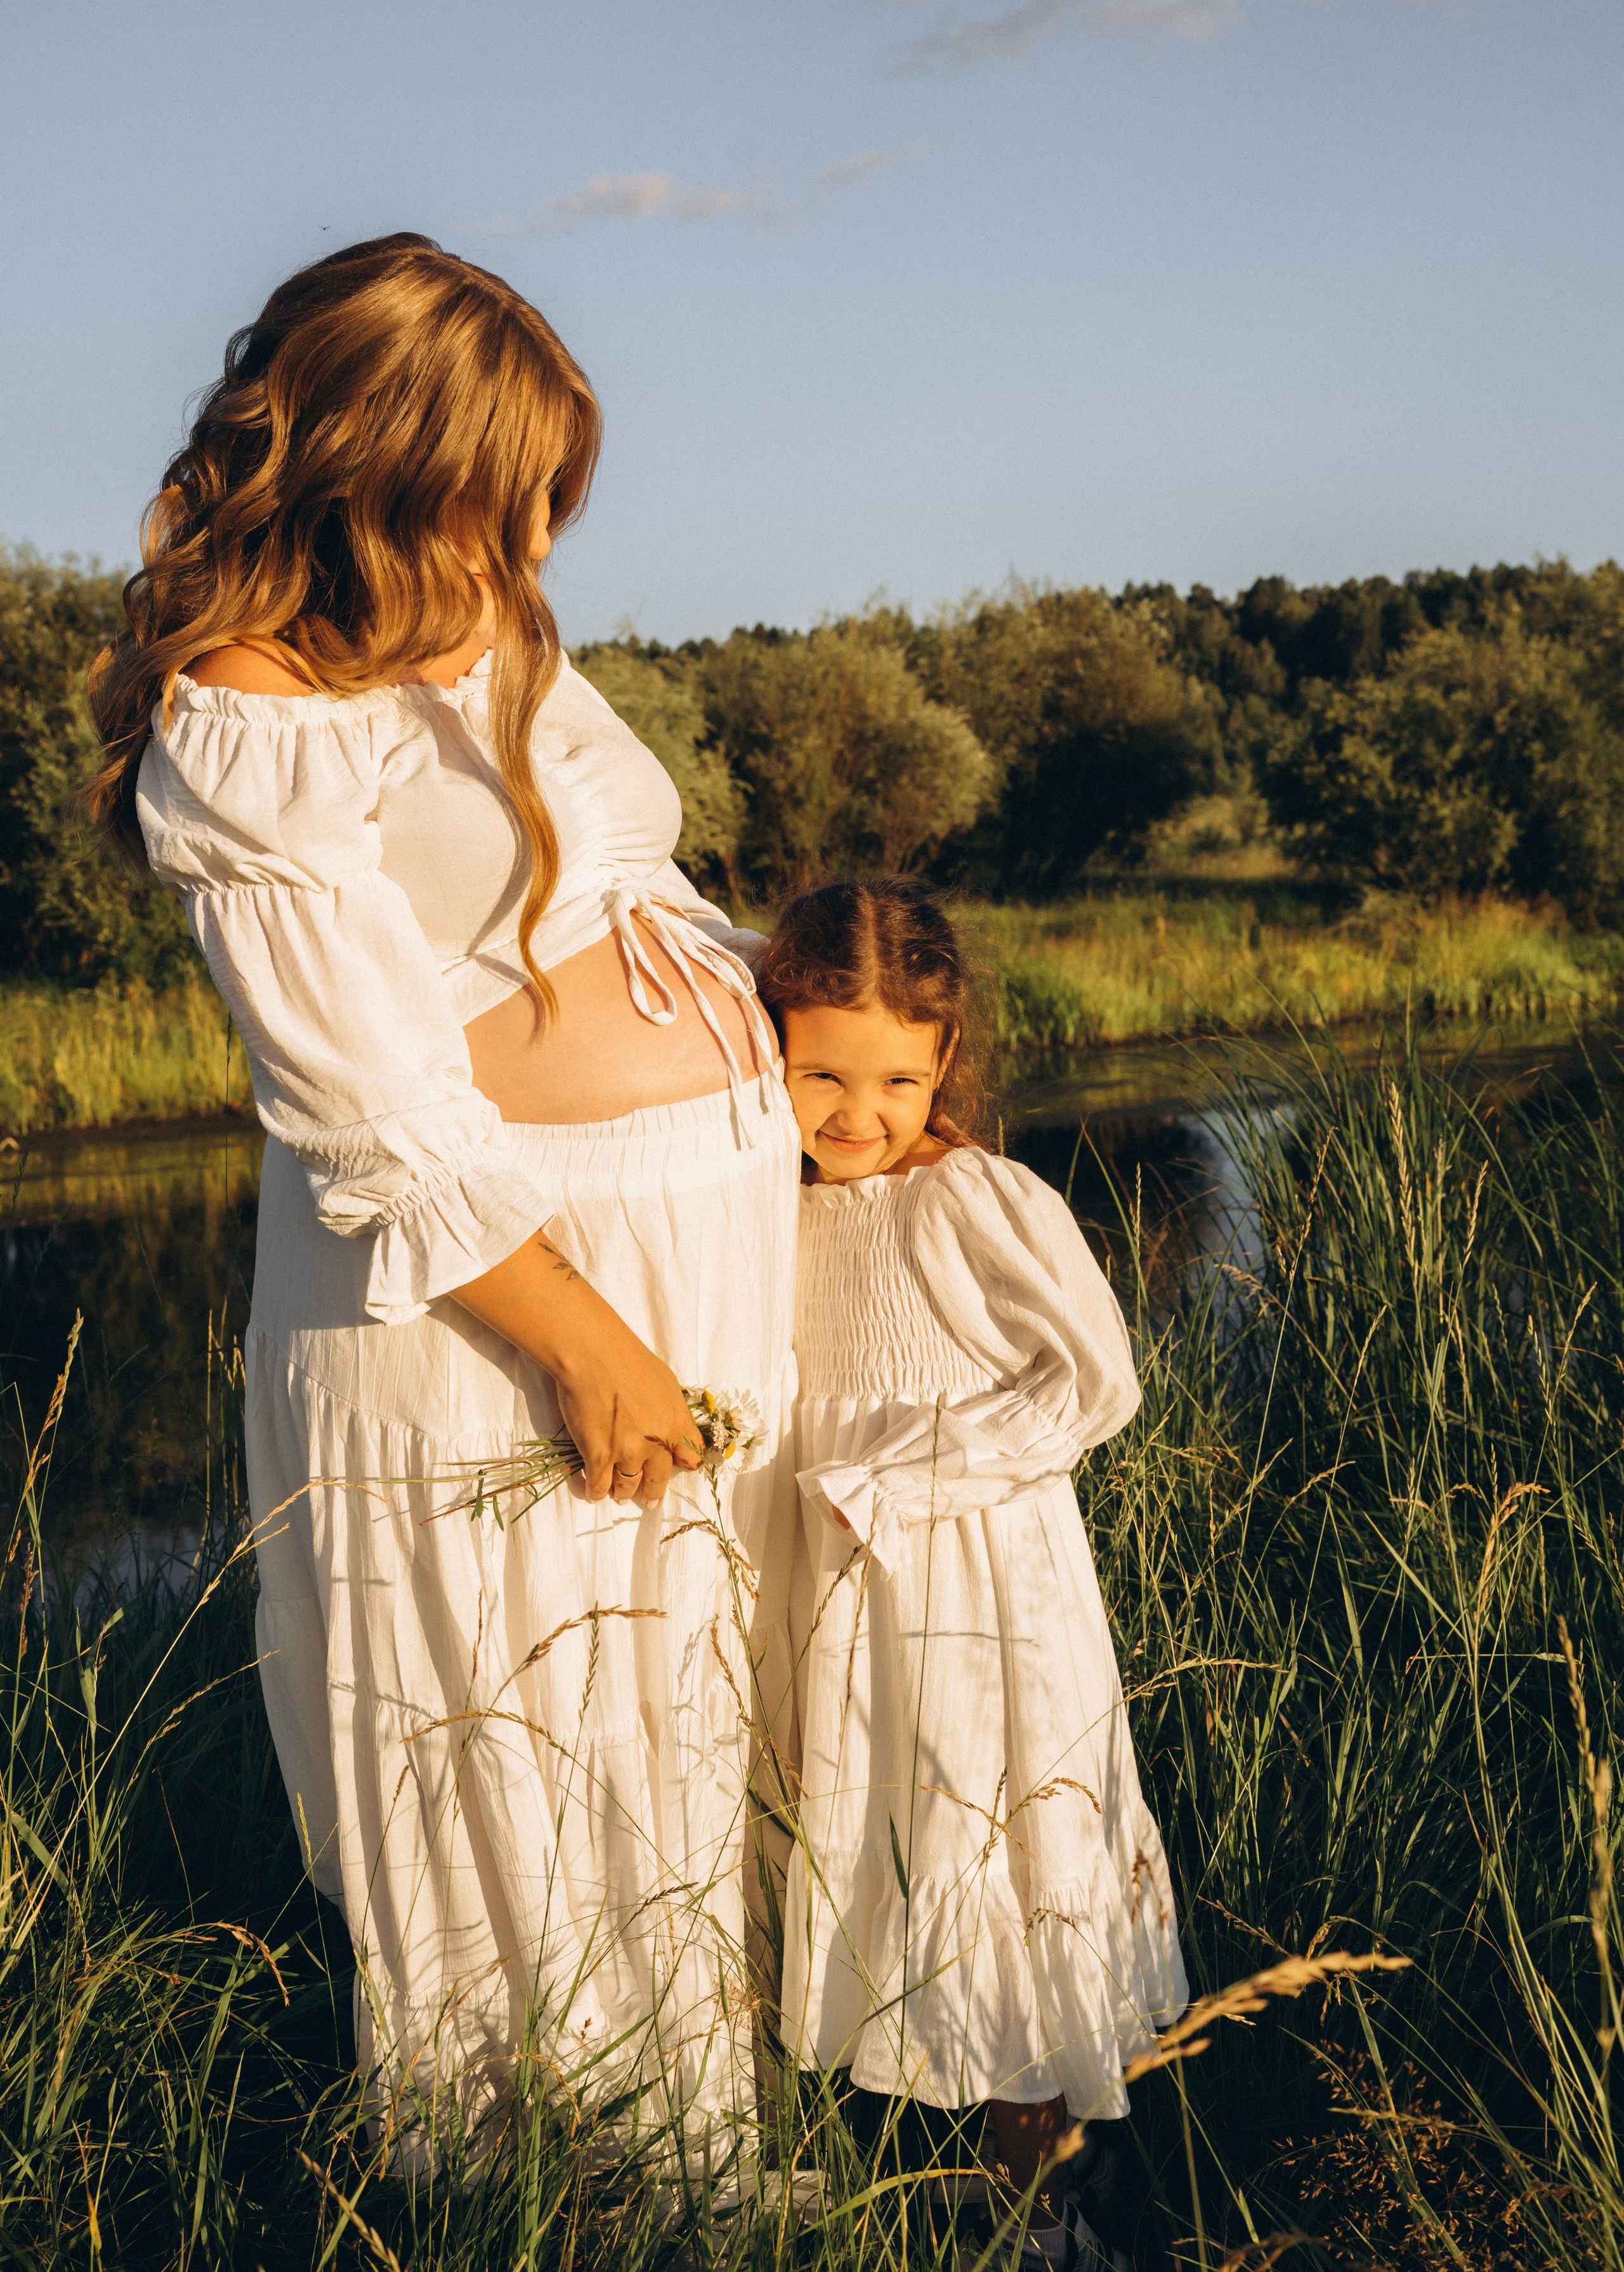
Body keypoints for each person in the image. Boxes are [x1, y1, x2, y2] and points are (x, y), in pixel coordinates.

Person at [86, 234, 802, 2169]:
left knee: (673, 1723)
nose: (537, 535)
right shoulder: (248, 706)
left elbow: (623, 898)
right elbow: (366, 1098)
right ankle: (559, 2185)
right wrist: (583, 1343)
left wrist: (831, 1049)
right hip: (492, 1294)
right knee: (527, 1733)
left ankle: (708, 2154)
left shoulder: (488, 622)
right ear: (378, 466)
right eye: (505, 487)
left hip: (679, 1239)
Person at [756, 879, 1188, 2269]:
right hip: (836, 1590)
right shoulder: (767, 1209)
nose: (856, 1113)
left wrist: (901, 1484)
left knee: (987, 1853)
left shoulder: (969, 1198)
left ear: (944, 1060)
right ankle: (922, 2161)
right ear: (767, 1046)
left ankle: (1048, 2206)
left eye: (897, 1078)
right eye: (820, 1073)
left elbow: (1095, 1380)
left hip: (971, 1592)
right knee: (869, 1846)